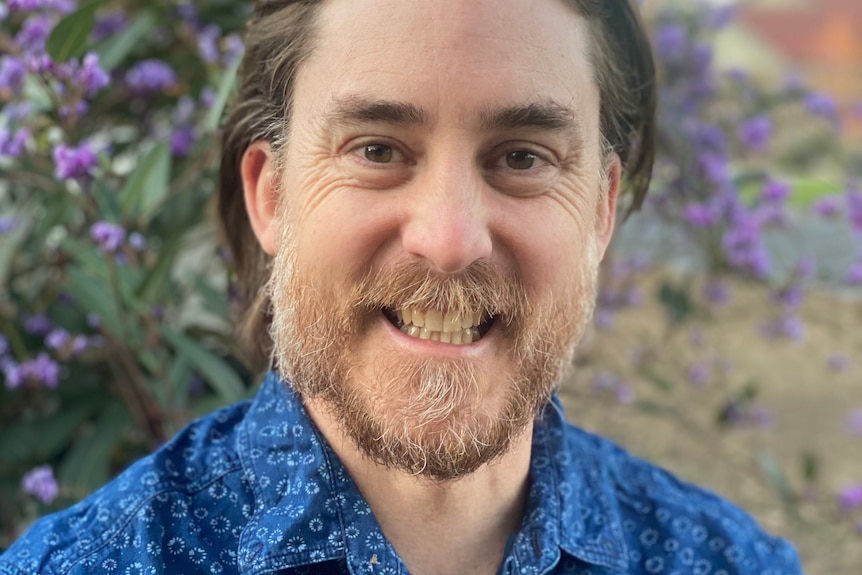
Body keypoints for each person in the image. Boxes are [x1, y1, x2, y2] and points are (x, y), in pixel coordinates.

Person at [0, 1, 803, 574]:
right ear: (269, 197)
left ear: (599, 211)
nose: (450, 240)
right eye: (378, 149)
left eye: (522, 157)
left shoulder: (731, 561)